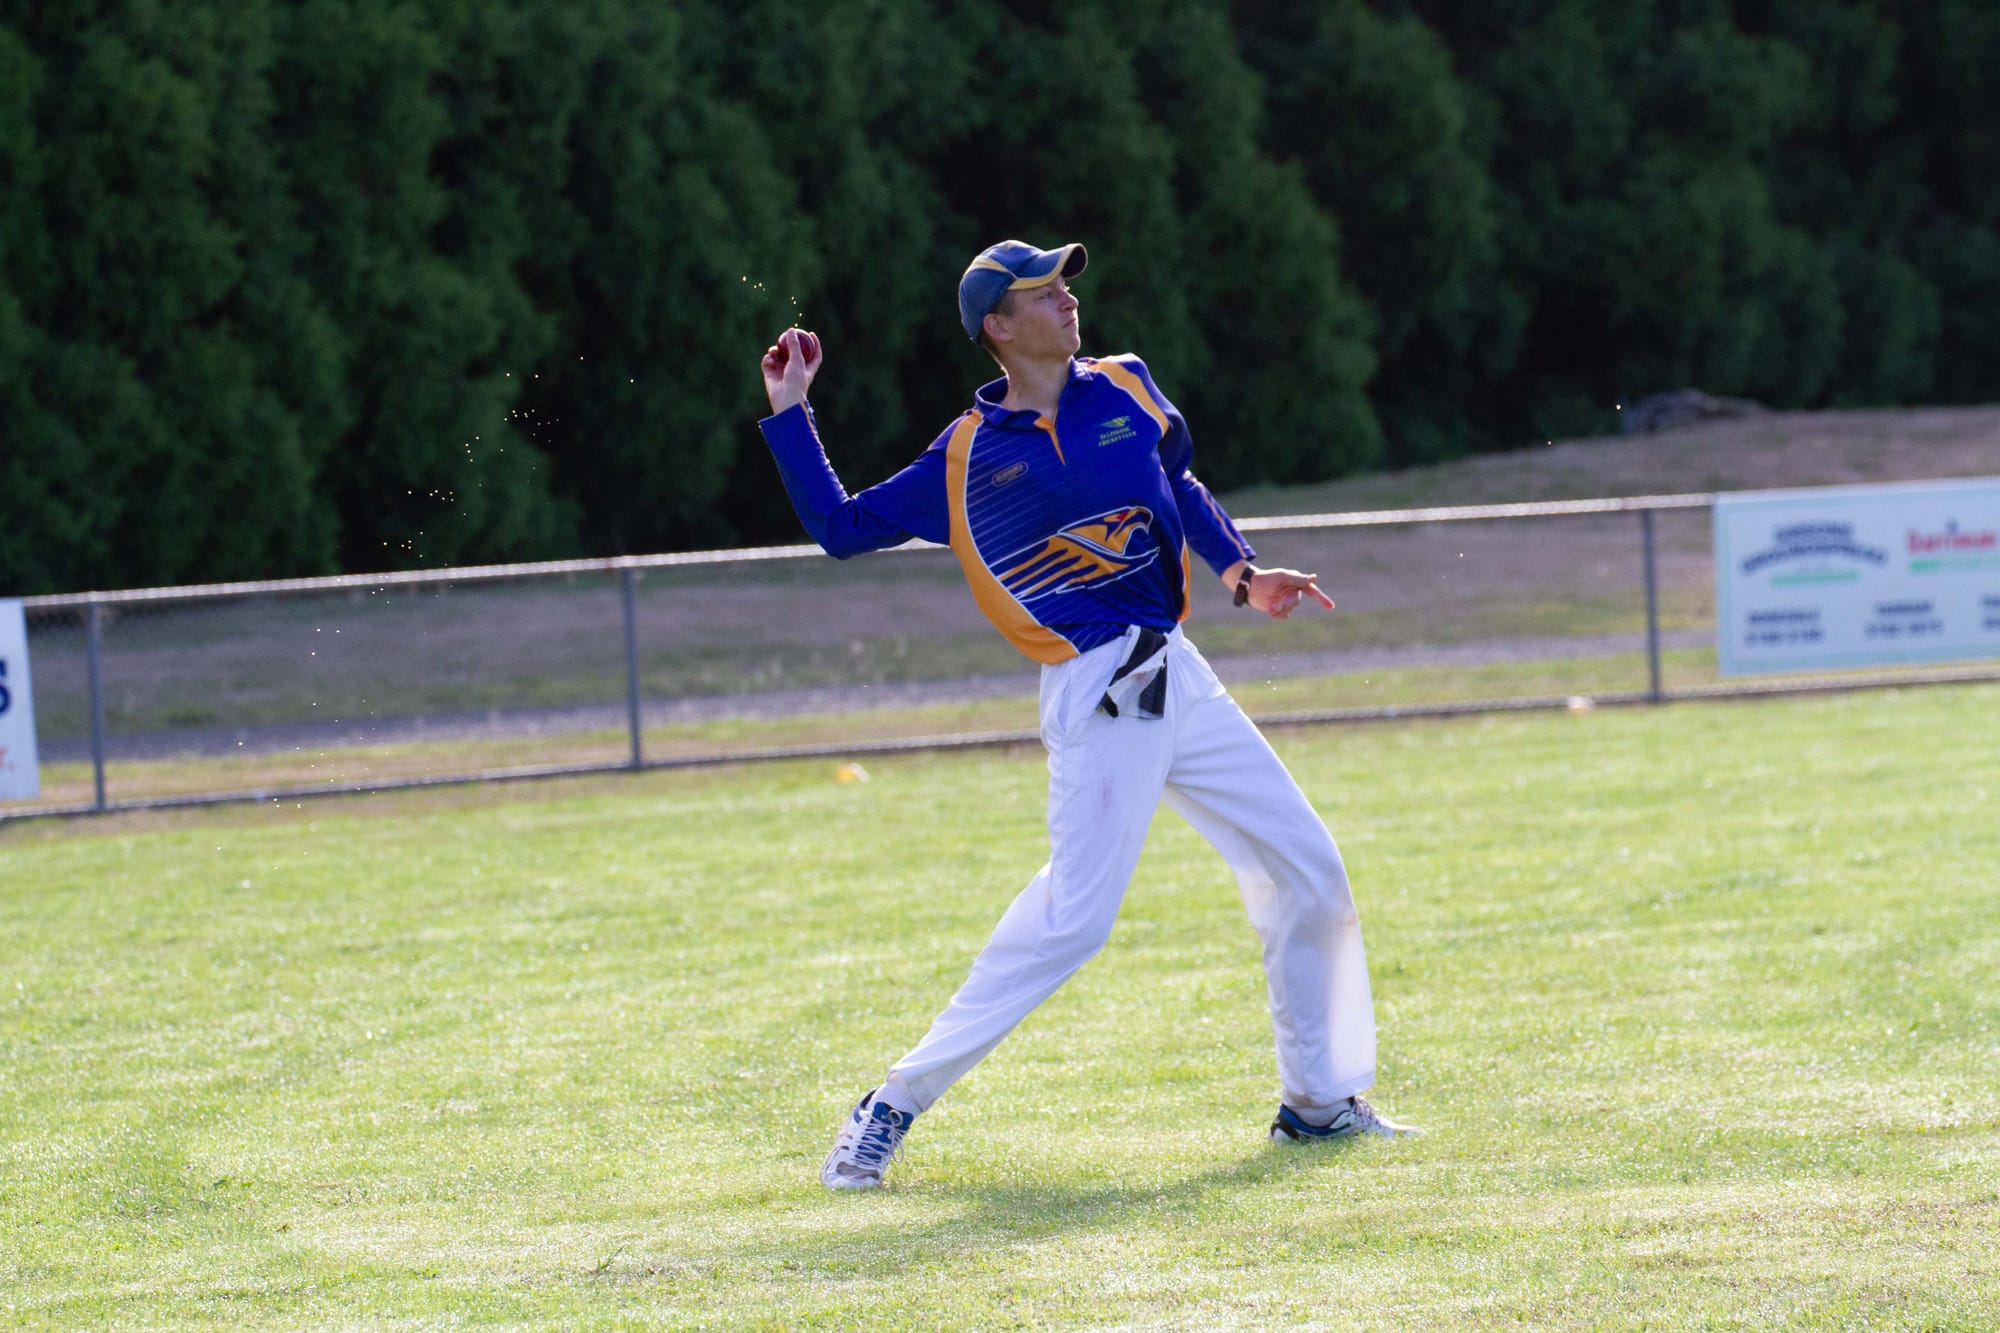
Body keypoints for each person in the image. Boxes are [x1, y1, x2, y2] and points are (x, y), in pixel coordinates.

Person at [757, 239, 1421, 1191]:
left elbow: (1178, 483)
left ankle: (1317, 1108)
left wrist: (1240, 569)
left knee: (1306, 867)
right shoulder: (967, 456)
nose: (1069, 301)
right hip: (1097, 690)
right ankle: (890, 1104)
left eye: (1067, 286)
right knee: (1074, 922)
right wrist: (792, 413)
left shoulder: (1128, 386)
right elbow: (840, 528)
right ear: (998, 325)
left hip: (1174, 669)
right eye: (1045, 293)